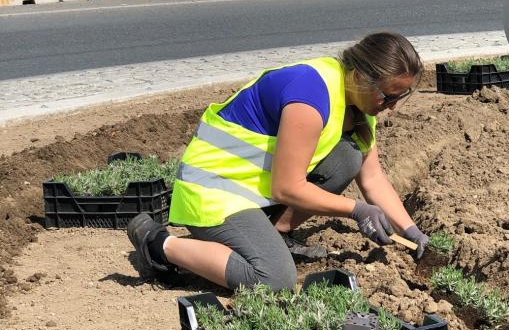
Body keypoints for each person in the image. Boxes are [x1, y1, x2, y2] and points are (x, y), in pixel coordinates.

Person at [127, 32, 430, 291]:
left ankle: (276, 234)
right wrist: (356, 209)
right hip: (214, 190)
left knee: (348, 156)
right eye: (387, 97)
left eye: (398, 97)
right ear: (360, 77)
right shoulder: (311, 96)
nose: (391, 107)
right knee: (274, 279)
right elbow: (287, 188)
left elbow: (373, 178)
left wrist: (411, 231)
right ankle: (158, 244)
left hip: (252, 188)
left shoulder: (360, 102)